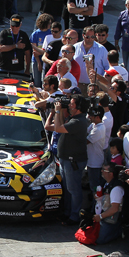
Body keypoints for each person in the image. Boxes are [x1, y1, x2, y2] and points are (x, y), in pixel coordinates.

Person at [50, 94, 89, 224]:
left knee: (73, 189)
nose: (70, 106)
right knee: (68, 188)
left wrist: (57, 111)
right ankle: (67, 212)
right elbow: (60, 125)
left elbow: (58, 128)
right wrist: (60, 111)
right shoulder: (74, 119)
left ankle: (74, 215)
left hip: (73, 161)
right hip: (66, 159)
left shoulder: (78, 121)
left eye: (72, 104)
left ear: (78, 107)